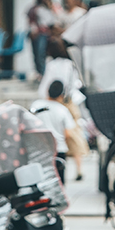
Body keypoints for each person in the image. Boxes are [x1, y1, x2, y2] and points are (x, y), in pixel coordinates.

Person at [39, 37, 88, 179]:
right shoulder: (70, 64)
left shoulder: (52, 65)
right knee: (74, 133)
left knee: (56, 132)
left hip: (55, 100)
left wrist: (45, 97)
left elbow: (46, 83)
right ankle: (79, 169)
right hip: (69, 101)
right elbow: (76, 83)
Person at [31, 80, 77, 181]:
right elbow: (68, 134)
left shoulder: (36, 105)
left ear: (47, 90)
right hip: (58, 149)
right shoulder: (63, 110)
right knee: (58, 181)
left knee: (41, 180)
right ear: (62, 95)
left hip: (39, 148)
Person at [26, 0, 61, 78]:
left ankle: (49, 75)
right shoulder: (34, 9)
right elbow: (31, 22)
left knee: (45, 54)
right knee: (38, 54)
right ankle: (41, 73)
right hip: (38, 34)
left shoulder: (53, 7)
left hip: (49, 34)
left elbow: (56, 20)